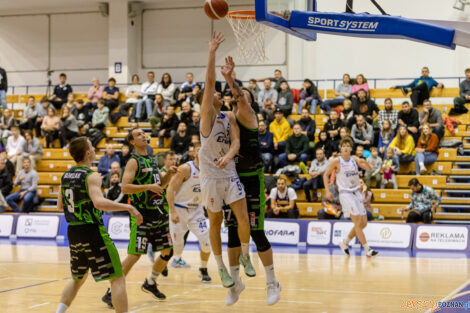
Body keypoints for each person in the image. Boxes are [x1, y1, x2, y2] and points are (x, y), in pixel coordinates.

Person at [56, 136, 142, 313]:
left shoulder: (66, 176)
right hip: (92, 230)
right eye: (92, 146)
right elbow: (99, 203)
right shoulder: (91, 175)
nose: (95, 149)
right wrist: (128, 207)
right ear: (88, 153)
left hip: (72, 231)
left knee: (78, 277)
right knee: (117, 277)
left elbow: (59, 206)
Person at [196, 33, 255, 292]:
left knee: (243, 218)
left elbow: (236, 142)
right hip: (209, 176)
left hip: (228, 172)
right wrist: (212, 52)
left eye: (221, 93)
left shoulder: (228, 116)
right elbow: (209, 83)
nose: (218, 94)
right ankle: (220, 266)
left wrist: (229, 156)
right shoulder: (207, 116)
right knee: (216, 222)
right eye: (215, 94)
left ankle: (245, 254)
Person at [222, 57, 281, 305]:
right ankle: (236, 284)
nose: (239, 97)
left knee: (256, 232)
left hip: (251, 179)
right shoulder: (229, 118)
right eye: (236, 95)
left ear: (249, 101)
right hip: (232, 179)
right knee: (233, 234)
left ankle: (272, 282)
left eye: (243, 95)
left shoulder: (248, 113)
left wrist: (229, 78)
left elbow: (241, 97)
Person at [101, 128, 177, 309]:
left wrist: (169, 175)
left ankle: (150, 282)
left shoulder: (151, 159)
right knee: (135, 255)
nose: (143, 136)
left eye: (143, 133)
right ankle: (111, 292)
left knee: (168, 251)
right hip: (141, 214)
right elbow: (125, 188)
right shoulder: (133, 162)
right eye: (138, 135)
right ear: (132, 142)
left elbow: (160, 185)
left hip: (157, 212)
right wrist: (149, 186)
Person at [323, 137, 379, 257]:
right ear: (341, 148)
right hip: (345, 194)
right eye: (343, 146)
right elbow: (326, 175)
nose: (346, 148)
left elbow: (368, 168)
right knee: (358, 221)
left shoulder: (354, 159)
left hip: (356, 192)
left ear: (351, 148)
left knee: (364, 223)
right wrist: (327, 190)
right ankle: (367, 249)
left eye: (348, 146)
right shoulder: (336, 161)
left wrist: (368, 165)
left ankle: (345, 242)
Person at [166, 143, 212, 281]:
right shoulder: (186, 168)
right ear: (194, 153)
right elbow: (170, 189)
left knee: (206, 242)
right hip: (179, 209)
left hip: (196, 210)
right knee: (176, 246)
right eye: (199, 149)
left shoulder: (210, 170)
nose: (202, 151)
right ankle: (162, 262)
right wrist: (172, 211)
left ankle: (203, 268)